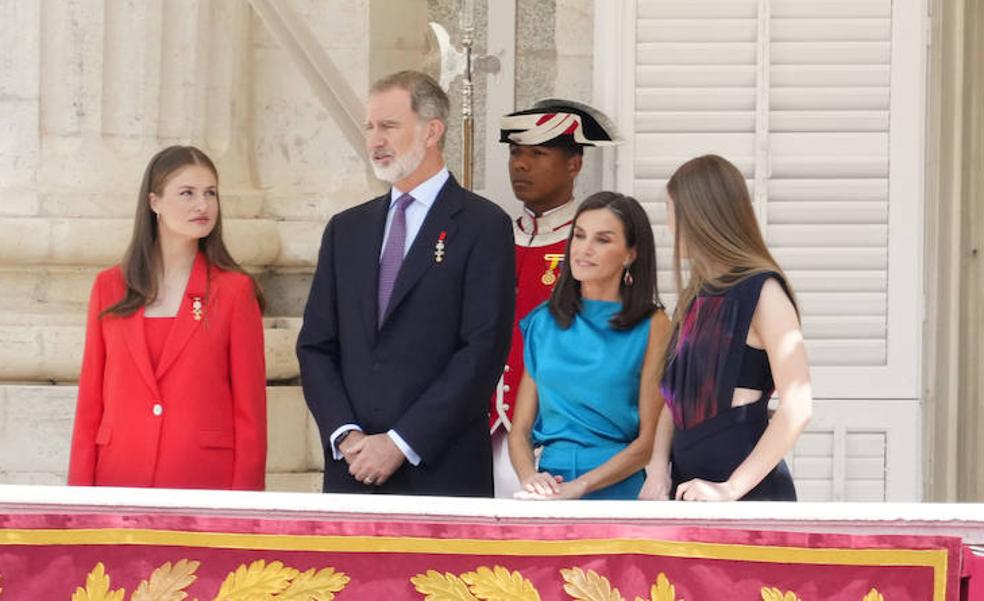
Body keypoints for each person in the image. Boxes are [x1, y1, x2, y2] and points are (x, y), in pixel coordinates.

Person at [296, 70, 515, 497]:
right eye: (370, 127)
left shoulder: (483, 225)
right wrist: (346, 435)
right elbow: (316, 346)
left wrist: (401, 442)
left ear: (432, 131)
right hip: (353, 470)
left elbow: (482, 352)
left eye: (389, 127)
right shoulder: (346, 230)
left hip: (441, 471)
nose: (374, 140)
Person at [68, 145, 267, 490]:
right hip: (118, 481)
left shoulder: (235, 291)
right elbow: (90, 406)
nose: (202, 205)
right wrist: (77, 503)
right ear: (154, 202)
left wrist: (245, 512)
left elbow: (251, 416)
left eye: (210, 193)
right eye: (187, 193)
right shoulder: (109, 287)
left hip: (204, 485)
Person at [640, 154, 812, 502]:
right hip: (689, 491)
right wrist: (658, 469)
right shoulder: (694, 297)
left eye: (673, 214)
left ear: (700, 217)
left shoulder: (764, 292)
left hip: (745, 495)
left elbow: (798, 404)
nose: (670, 228)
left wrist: (730, 489)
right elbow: (674, 400)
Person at [490, 99, 620, 498]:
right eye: (515, 153)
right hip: (483, 430)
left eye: (538, 154)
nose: (521, 165)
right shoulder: (493, 236)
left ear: (574, 164)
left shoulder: (589, 247)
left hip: (555, 438)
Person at [508, 191, 669, 500]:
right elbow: (520, 430)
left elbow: (647, 443)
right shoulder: (542, 322)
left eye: (603, 240)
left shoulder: (653, 324)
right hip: (550, 487)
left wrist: (581, 485)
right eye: (579, 236)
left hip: (617, 488)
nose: (584, 250)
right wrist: (530, 477)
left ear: (630, 254)